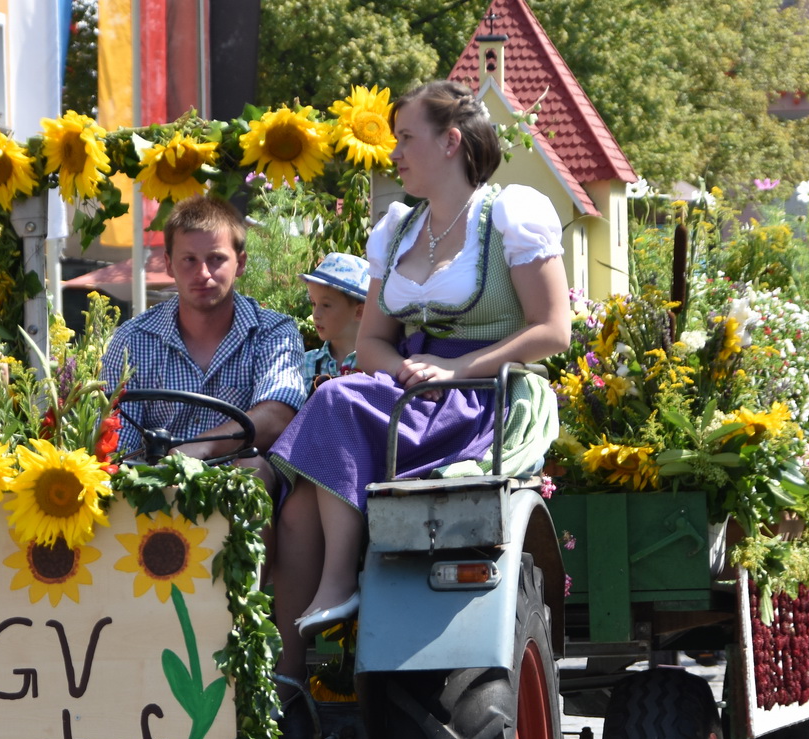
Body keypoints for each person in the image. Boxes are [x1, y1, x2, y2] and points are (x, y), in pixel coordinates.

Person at [268, 79, 571, 691]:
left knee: (332, 401)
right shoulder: (398, 229)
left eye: (406, 138)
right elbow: (372, 341)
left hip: (483, 399)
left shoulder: (510, 215)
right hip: (410, 395)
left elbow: (553, 330)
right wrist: (403, 373)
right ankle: (287, 679)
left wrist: (458, 369)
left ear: (451, 142)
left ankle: (337, 584)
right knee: (300, 501)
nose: (395, 153)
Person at [99, 195, 305, 479]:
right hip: (155, 487)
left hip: (237, 481)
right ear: (169, 265)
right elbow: (117, 443)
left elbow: (278, 417)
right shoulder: (131, 340)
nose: (203, 273)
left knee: (252, 469)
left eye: (216, 259)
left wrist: (200, 447)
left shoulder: (273, 331)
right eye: (189, 260)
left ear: (241, 263)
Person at [300, 252, 370, 388]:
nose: (316, 314)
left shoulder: (376, 366)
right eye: (313, 303)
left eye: (326, 305)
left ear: (359, 312)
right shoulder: (304, 365)